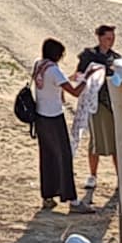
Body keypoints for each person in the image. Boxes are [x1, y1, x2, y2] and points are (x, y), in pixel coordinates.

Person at [25, 38, 79, 208]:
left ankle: (48, 195)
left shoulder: (39, 64)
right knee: (64, 156)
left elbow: (55, 84)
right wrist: (87, 79)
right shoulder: (54, 71)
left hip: (40, 116)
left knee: (47, 156)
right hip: (54, 117)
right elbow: (75, 92)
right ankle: (71, 198)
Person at [74, 24, 122, 205]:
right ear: (100, 38)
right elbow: (79, 75)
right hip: (95, 102)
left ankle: (120, 176)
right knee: (96, 139)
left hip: (112, 103)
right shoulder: (89, 55)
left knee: (115, 140)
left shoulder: (116, 59)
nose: (111, 41)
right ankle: (93, 175)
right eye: (108, 38)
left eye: (112, 38)